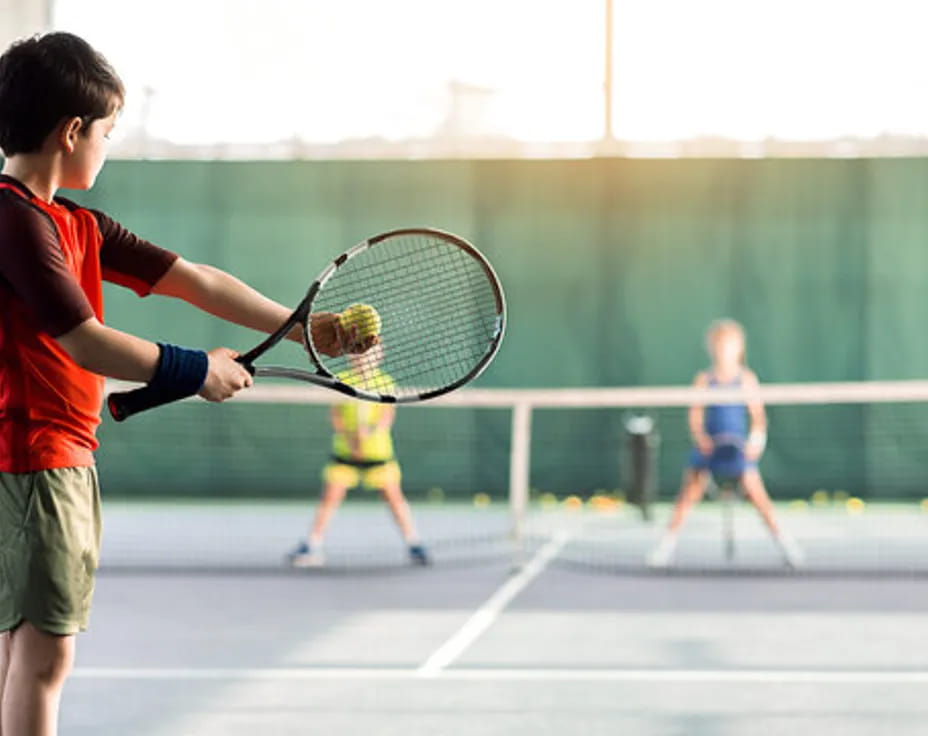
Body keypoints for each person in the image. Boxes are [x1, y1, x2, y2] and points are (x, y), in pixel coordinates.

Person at [0, 32, 361, 736]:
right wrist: (198, 370)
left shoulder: (73, 224)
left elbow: (196, 281)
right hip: (35, 462)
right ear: (72, 131)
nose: (107, 144)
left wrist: (304, 326)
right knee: (41, 661)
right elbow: (83, 340)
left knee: (21, 652)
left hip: (47, 460)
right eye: (106, 131)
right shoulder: (15, 220)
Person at [647, 319, 804, 569]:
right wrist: (701, 439)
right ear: (711, 348)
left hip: (738, 450)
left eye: (729, 345)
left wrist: (756, 442)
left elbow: (758, 418)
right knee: (687, 496)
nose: (723, 350)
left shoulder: (746, 379)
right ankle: (665, 547)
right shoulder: (703, 379)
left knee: (759, 497)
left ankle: (786, 546)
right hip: (708, 449)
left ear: (738, 348)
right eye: (719, 345)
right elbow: (695, 415)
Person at [288, 344, 429, 567]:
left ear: (379, 356)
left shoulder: (386, 381)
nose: (363, 359)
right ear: (350, 357)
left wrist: (369, 433)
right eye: (358, 354)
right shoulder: (340, 379)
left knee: (394, 499)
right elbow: (335, 414)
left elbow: (387, 416)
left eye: (369, 354)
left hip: (378, 455)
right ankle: (312, 544)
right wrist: (350, 437)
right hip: (345, 454)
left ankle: (414, 543)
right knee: (330, 498)